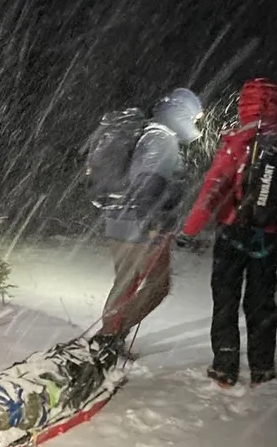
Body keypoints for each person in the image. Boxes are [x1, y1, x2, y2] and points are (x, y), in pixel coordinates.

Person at [180, 77, 277, 386]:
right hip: (267, 236)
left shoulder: (237, 144)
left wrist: (190, 230)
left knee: (226, 299)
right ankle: (262, 368)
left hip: (231, 232)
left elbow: (212, 190)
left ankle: (225, 367)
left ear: (243, 105)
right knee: (262, 302)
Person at [88, 87, 204, 357]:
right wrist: (153, 223)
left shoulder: (149, 135)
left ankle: (111, 337)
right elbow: (148, 184)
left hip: (121, 222)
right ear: (180, 114)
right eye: (194, 118)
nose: (196, 124)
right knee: (151, 285)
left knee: (130, 283)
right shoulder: (161, 139)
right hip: (141, 227)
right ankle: (108, 338)